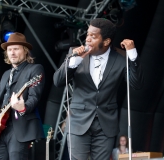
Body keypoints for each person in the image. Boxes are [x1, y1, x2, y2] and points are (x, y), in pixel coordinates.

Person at [53, 18, 144, 160]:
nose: (87, 39)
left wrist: (132, 55)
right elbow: (58, 81)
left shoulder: (121, 58)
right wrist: (75, 61)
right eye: (87, 35)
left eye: (93, 36)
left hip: (106, 124)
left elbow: (136, 84)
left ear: (106, 41)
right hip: (78, 121)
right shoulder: (74, 53)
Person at [0, 32, 45, 160]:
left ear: (25, 51)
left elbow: (34, 97)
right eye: (9, 49)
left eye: (16, 49)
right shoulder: (6, 74)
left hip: (20, 128)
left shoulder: (34, 70)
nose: (12, 53)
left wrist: (23, 107)